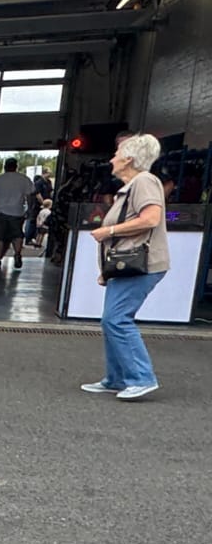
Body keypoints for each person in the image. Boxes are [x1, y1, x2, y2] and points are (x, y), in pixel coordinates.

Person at [82, 133, 171, 401]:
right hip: (127, 265)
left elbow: (151, 218)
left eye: (117, 154)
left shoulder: (143, 182)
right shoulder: (134, 185)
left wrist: (108, 230)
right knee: (112, 320)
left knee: (116, 319)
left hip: (140, 264)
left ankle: (141, 378)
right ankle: (117, 378)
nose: (112, 159)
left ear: (129, 159)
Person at [0, 158, 33, 269]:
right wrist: (30, 209)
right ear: (16, 166)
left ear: (5, 166)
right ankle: (17, 254)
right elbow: (30, 196)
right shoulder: (24, 179)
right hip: (17, 212)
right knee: (17, 235)